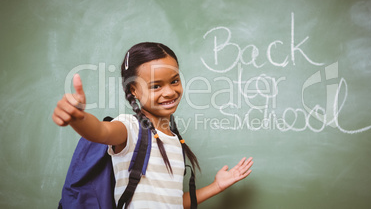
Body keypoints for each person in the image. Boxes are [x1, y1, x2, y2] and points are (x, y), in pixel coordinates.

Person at [52, 42, 253, 209]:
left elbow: (172, 203)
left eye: (174, 81)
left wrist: (217, 186)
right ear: (135, 91)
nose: (170, 92)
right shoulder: (130, 127)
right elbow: (100, 132)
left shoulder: (175, 140)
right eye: (156, 86)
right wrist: (78, 118)